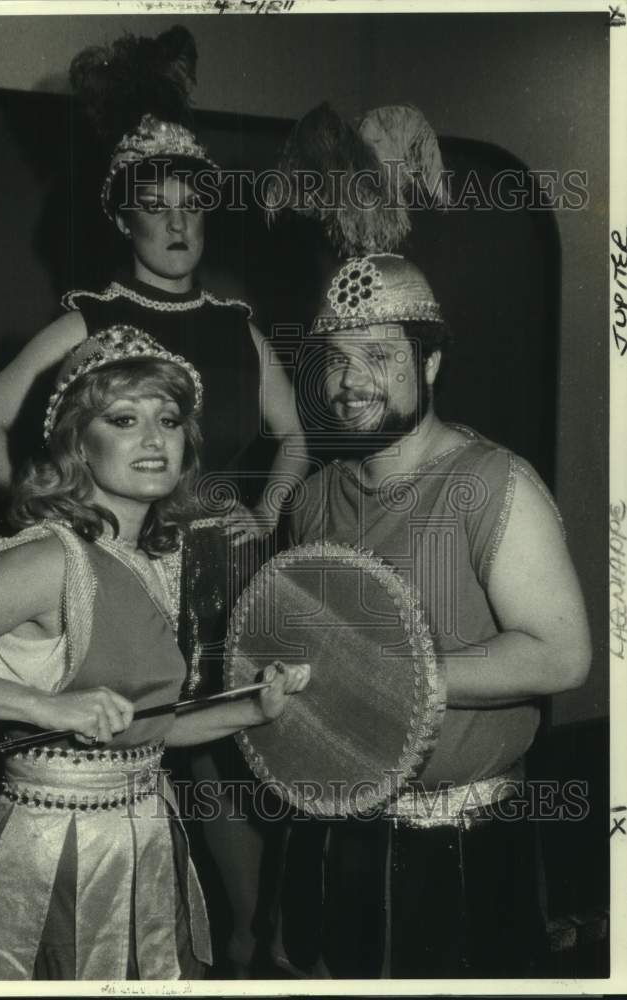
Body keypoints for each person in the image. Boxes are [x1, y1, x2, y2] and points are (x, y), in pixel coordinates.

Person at [0, 26, 307, 976]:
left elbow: (297, 438)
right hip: (122, 564)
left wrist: (268, 511)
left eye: (191, 204)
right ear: (123, 219)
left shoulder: (237, 327)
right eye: (153, 208)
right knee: (148, 757)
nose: (176, 223)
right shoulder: (90, 314)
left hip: (230, 569)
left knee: (239, 753)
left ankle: (247, 941)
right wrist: (50, 515)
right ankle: (136, 940)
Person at [0, 325, 310, 981]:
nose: (155, 439)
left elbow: (143, 726)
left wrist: (252, 709)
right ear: (77, 442)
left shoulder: (160, 556)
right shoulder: (50, 561)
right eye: (124, 420)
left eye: (170, 419)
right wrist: (43, 705)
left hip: (145, 835)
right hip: (54, 855)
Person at [270, 253, 591, 978]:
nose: (350, 383)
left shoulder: (491, 483)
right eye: (336, 360)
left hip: (459, 847)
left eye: (379, 356)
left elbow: (559, 656)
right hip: (327, 835)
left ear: (432, 362)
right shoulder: (310, 500)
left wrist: (384, 673)